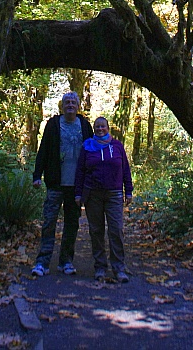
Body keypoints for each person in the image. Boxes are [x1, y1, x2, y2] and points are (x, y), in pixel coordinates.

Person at [31, 91, 93, 277]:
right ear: (62, 105)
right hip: (55, 183)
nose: (70, 105)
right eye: (67, 102)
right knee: (49, 221)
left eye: (73, 102)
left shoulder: (84, 125)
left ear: (78, 105)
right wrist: (37, 175)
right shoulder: (53, 124)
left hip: (76, 186)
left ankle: (66, 261)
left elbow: (93, 152)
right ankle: (42, 262)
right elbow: (43, 150)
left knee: (72, 223)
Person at [75, 116, 133, 283]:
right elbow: (80, 171)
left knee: (116, 230)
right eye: (97, 127)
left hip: (114, 193)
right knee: (96, 230)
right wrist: (78, 194)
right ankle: (100, 267)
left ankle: (119, 268)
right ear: (94, 129)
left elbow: (125, 169)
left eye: (103, 126)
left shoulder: (117, 146)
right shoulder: (87, 147)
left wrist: (128, 191)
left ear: (108, 128)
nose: (100, 129)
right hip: (93, 194)